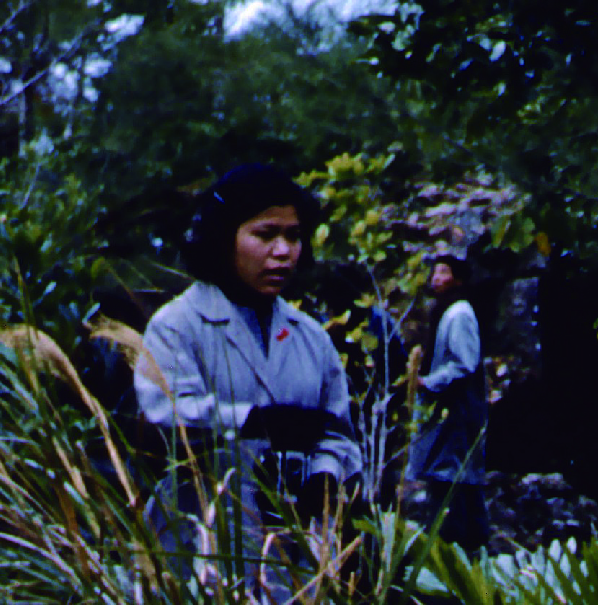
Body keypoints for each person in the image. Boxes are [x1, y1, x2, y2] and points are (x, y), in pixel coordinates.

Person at [134, 162, 364, 566]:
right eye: (265, 234)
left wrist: (325, 475)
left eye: (293, 236)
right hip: (195, 542)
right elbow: (163, 416)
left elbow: (339, 432)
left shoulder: (311, 337)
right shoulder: (177, 326)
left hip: (290, 549)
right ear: (225, 239)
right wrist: (253, 420)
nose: (282, 252)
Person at [408, 239, 496, 543]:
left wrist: (428, 383)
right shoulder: (447, 311)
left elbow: (464, 363)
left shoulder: (459, 314)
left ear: (457, 278)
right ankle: (467, 548)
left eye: (443, 272)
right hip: (449, 414)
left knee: (452, 480)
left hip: (457, 414)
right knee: (454, 481)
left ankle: (456, 551)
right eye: (434, 272)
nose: (436, 278)